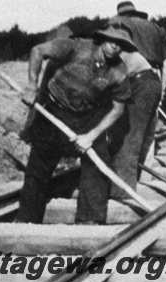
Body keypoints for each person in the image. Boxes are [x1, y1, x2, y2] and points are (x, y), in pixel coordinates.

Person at [16, 27, 136, 224]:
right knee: (39, 165)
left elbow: (118, 109)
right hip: (54, 110)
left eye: (121, 45)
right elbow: (38, 51)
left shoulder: (120, 71)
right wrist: (31, 86)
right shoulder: (75, 47)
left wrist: (91, 135)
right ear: (102, 38)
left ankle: (90, 219)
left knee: (98, 159)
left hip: (86, 117)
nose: (115, 47)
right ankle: (27, 218)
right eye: (112, 41)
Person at [107, 1, 166, 199]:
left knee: (126, 135)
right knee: (147, 134)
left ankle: (122, 189)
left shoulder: (120, 26)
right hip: (152, 78)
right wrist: (161, 89)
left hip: (132, 76)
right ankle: (143, 180)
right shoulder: (155, 28)